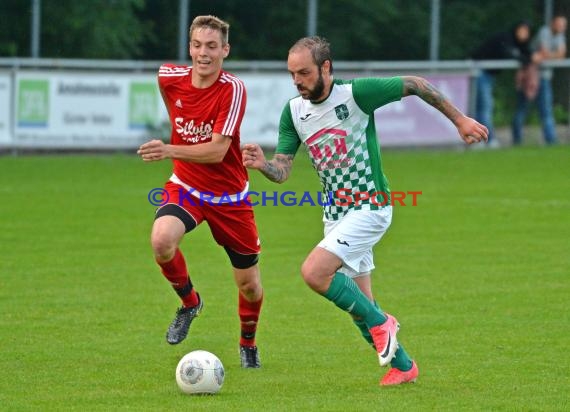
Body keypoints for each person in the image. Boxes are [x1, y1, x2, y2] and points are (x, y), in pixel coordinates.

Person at [242, 36, 488, 386]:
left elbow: (416, 84)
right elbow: (282, 170)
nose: (297, 80)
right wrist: (263, 165)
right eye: (292, 73)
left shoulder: (355, 95)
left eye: (304, 72)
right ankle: (404, 366)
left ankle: (383, 321)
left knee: (314, 273)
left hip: (370, 207)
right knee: (360, 307)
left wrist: (460, 120)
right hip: (335, 215)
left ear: (326, 67)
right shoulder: (294, 111)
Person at [137, 15, 263, 368]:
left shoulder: (232, 89)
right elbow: (180, 119)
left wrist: (169, 149)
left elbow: (217, 151)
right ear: (189, 47)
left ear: (225, 50)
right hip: (187, 188)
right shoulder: (168, 78)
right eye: (197, 45)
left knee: (250, 286)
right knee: (162, 240)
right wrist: (176, 153)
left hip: (230, 199)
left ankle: (247, 343)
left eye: (212, 46)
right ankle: (190, 303)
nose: (203, 54)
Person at [471, 21, 533, 147]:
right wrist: (522, 58)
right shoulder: (506, 38)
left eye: (527, 32)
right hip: (480, 72)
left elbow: (527, 54)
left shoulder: (519, 44)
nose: (524, 34)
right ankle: (489, 139)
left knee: (481, 107)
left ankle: (479, 140)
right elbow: (510, 53)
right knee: (484, 107)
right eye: (522, 30)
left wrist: (527, 57)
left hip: (488, 75)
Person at [512, 14, 567, 145]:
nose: (561, 27)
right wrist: (552, 55)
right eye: (559, 24)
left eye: (563, 25)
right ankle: (517, 140)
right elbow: (544, 53)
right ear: (553, 23)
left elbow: (560, 55)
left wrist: (549, 56)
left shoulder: (560, 35)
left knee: (546, 109)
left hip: (545, 78)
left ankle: (551, 140)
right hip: (530, 77)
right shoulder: (544, 32)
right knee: (522, 108)